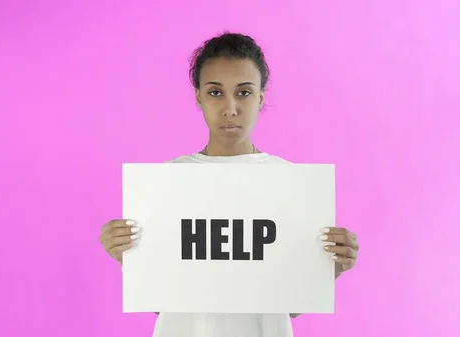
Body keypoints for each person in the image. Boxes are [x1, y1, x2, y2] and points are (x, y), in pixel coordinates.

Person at [98, 31, 360, 337]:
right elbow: (165, 300)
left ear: (261, 97)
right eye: (215, 92)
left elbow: (288, 305)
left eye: (244, 92)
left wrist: (328, 270)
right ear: (198, 96)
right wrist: (129, 257)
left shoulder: (290, 183)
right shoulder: (166, 183)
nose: (230, 107)